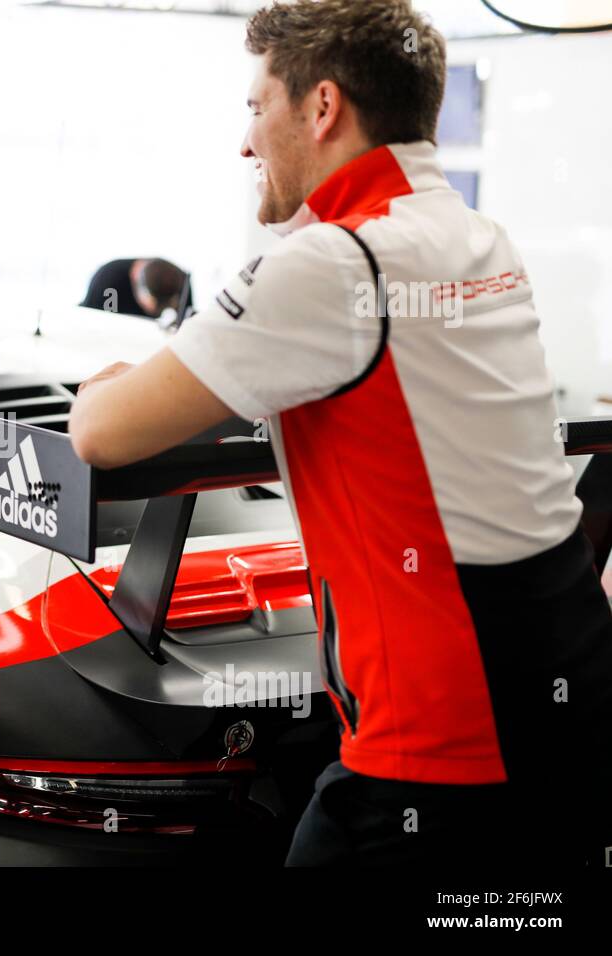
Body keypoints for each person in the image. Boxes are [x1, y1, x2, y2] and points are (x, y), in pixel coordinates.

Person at [68, 0, 612, 866]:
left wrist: (108, 379)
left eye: (256, 108)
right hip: (568, 678)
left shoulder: (331, 262)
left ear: (321, 108)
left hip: (443, 730)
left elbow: (103, 432)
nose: (245, 142)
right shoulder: (476, 232)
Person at [80, 257, 193, 324]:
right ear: (135, 276)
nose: (155, 311)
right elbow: (89, 324)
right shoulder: (106, 284)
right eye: (155, 304)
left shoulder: (180, 282)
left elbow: (186, 326)